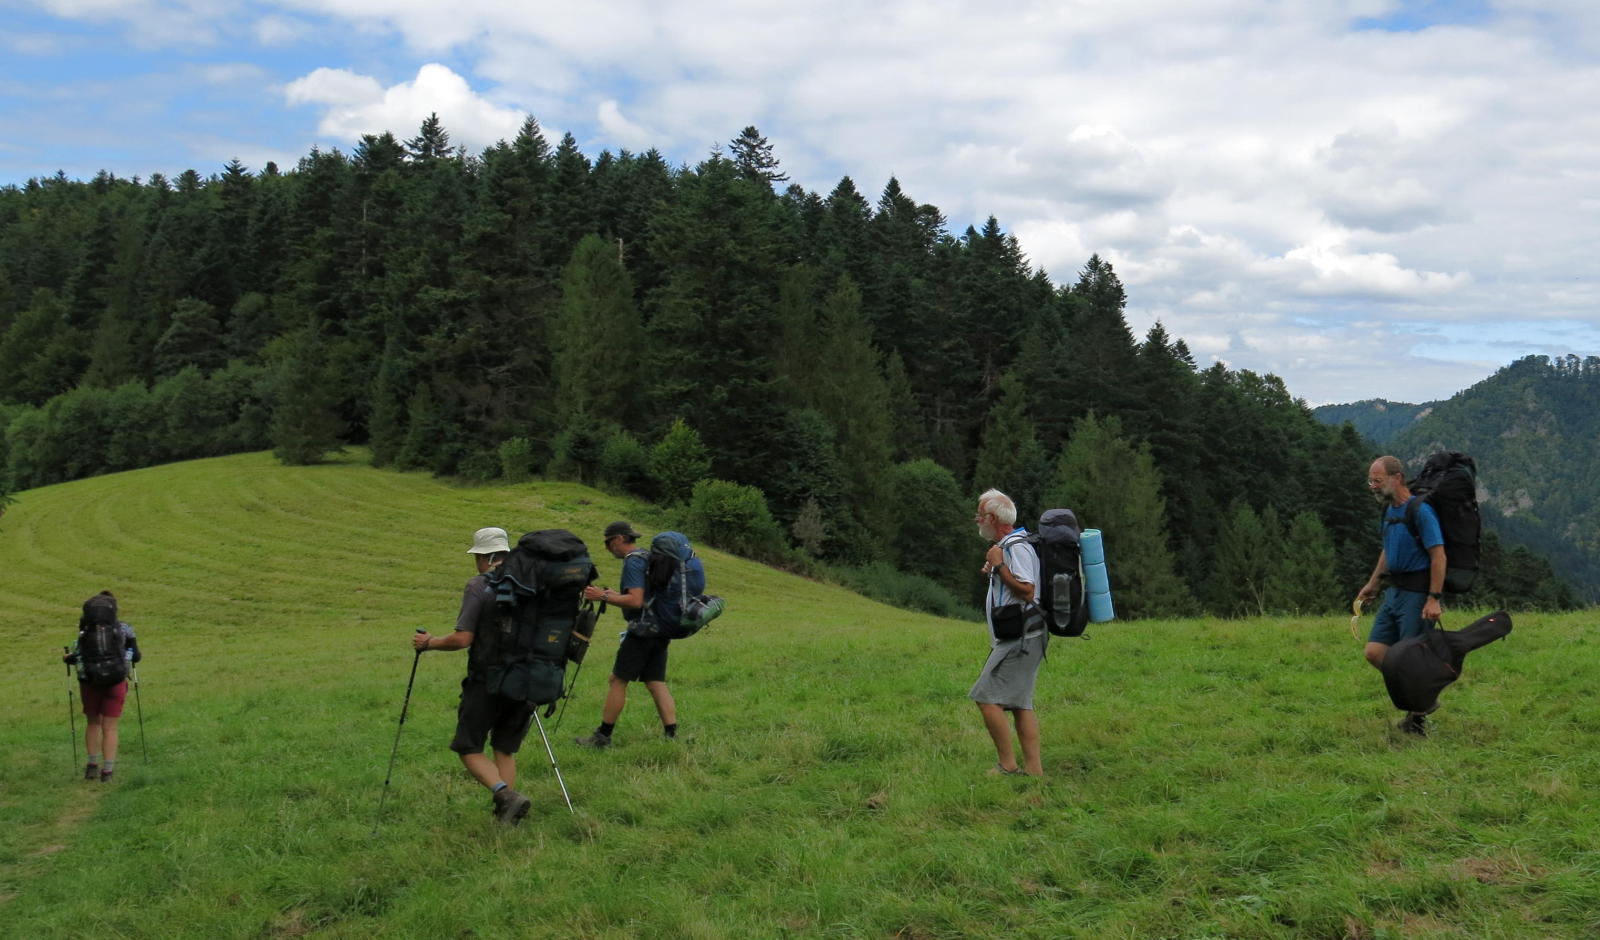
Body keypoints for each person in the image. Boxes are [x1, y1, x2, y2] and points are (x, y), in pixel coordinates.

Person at [412, 527, 535, 825]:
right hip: (529, 677)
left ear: (483, 556)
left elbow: (462, 639)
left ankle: (506, 795)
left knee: (468, 746)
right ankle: (508, 815)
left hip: (488, 680)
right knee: (504, 748)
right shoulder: (533, 584)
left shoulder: (479, 586)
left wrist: (429, 643)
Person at [1357, 456, 1447, 736]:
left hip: (1417, 594)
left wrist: (1434, 598)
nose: (1372, 486)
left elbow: (1438, 555)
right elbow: (1387, 551)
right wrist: (1373, 584)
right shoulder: (1389, 512)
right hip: (1394, 592)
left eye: (1377, 481)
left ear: (1397, 478)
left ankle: (1417, 720)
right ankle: (1423, 699)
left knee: (1409, 658)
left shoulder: (1420, 511)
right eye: (1370, 481)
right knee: (1374, 652)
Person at [573, 521, 678, 748]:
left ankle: (602, 737)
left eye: (608, 543)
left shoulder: (633, 561)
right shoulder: (648, 556)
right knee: (655, 680)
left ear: (619, 539)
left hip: (642, 630)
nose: (609, 548)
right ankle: (672, 735)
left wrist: (602, 596)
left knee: (618, 680)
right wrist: (609, 595)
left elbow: (635, 600)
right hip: (661, 627)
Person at [970, 489, 1046, 777]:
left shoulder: (1016, 547)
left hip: (1020, 637)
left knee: (985, 697)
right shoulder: (1010, 545)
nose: (978, 520)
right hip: (1026, 635)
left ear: (992, 517)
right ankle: (1035, 772)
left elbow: (1028, 591)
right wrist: (997, 566)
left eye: (980, 515)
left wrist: (1000, 565)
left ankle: (1007, 765)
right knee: (1019, 703)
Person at [63, 591, 141, 782]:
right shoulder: (125, 629)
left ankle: (91, 766)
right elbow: (136, 656)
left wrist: (67, 658)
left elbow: (78, 657)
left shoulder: (85, 630)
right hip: (116, 681)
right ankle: (107, 771)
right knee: (110, 727)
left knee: (93, 723)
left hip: (90, 682)